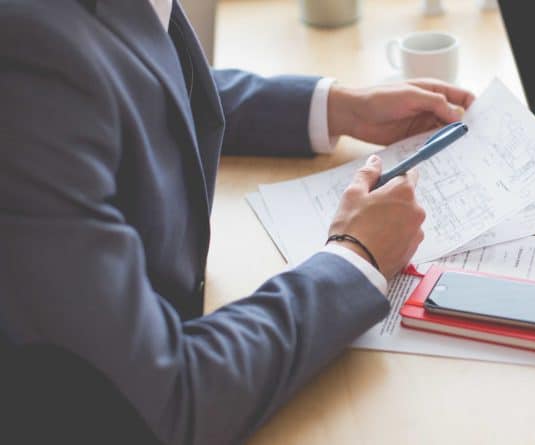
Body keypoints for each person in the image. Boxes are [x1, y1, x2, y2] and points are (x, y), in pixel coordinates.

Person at [0, 0, 474, 444]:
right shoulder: (26, 55)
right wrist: (357, 258)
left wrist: (334, 107)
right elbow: (167, 398)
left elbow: (129, 84)